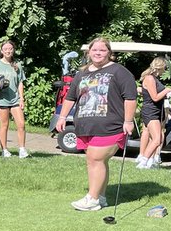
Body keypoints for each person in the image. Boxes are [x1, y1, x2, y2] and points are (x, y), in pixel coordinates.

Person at [55, 37, 137, 211]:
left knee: (96, 158)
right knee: (96, 161)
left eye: (102, 50)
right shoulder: (82, 73)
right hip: (85, 126)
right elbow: (70, 97)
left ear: (109, 53)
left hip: (110, 125)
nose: (98, 53)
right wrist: (62, 117)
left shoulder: (119, 72)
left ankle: (91, 199)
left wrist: (128, 121)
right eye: (95, 50)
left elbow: (130, 97)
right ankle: (100, 197)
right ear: (89, 52)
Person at [0, 39, 29, 158]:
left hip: (15, 99)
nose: (8, 51)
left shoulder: (17, 64)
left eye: (10, 49)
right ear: (1, 51)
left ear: (13, 50)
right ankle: (4, 150)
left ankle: (22, 149)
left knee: (21, 124)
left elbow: (20, 82)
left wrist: (22, 98)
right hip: (2, 100)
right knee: (4, 125)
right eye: (5, 49)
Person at [137, 57, 171, 169]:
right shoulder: (149, 79)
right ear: (160, 67)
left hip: (156, 110)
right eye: (164, 69)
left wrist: (166, 94)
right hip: (150, 111)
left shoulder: (154, 78)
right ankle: (143, 162)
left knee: (154, 138)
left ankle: (149, 162)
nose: (164, 71)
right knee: (157, 139)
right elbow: (155, 97)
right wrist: (166, 90)